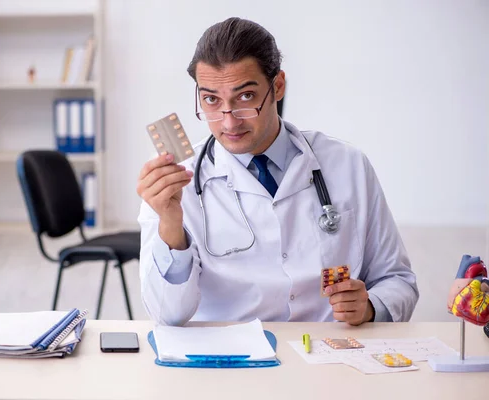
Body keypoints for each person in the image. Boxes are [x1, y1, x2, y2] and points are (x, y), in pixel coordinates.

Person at [136, 17, 419, 326]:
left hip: (328, 353)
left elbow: (398, 280)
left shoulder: (347, 164)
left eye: (245, 97)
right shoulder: (175, 181)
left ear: (278, 86)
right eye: (212, 100)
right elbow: (167, 316)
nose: (229, 122)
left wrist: (370, 307)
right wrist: (171, 225)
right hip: (227, 361)